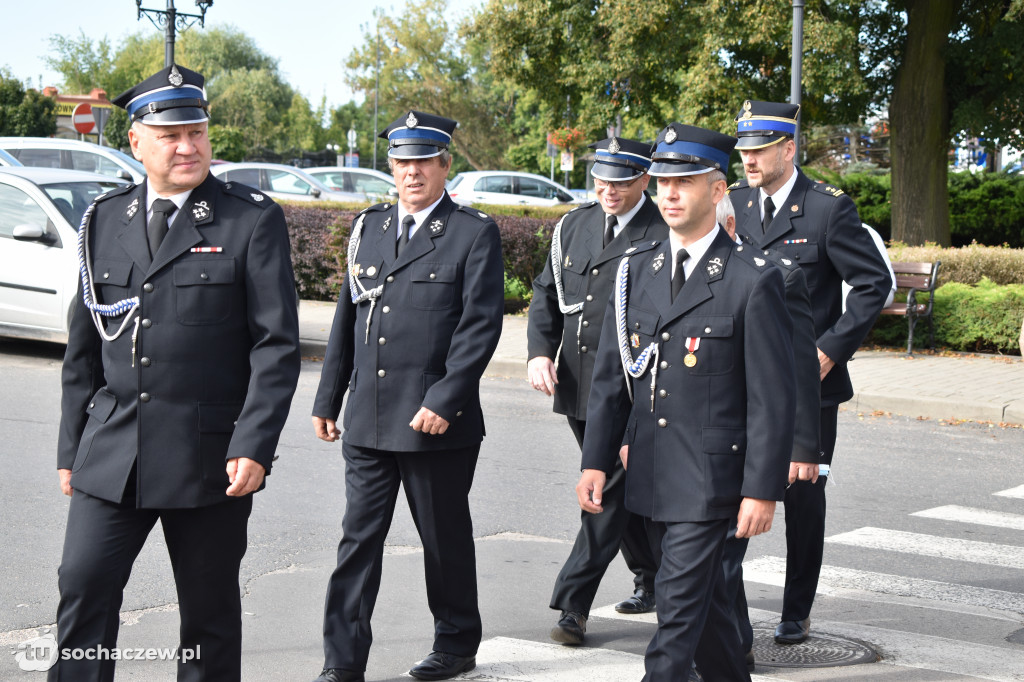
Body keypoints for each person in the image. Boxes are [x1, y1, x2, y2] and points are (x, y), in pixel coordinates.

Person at [53, 64, 301, 681]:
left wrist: (255, 443)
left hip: (208, 454)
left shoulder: (250, 218)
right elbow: (83, 346)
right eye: (169, 135)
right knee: (82, 586)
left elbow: (276, 346)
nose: (187, 146)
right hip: (112, 451)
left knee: (209, 613)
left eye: (196, 131)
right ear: (136, 141)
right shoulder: (103, 219)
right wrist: (70, 447)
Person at [577, 122, 795, 681]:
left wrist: (761, 490)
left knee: (673, 619)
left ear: (719, 189)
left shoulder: (753, 278)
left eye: (687, 182)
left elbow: (773, 397)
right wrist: (596, 459)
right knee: (714, 621)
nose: (670, 194)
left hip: (710, 482)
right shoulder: (637, 269)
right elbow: (610, 377)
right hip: (650, 470)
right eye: (664, 182)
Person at [310, 110, 504, 682]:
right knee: (357, 545)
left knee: (443, 541)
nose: (411, 172)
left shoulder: (472, 233)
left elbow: (480, 326)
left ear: (445, 165)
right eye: (401, 162)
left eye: (423, 161)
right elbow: (347, 319)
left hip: (433, 422)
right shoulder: (368, 228)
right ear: (390, 166)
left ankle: (456, 643)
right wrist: (328, 396)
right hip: (369, 419)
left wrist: (445, 400)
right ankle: (342, 663)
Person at [727, 100, 892, 644]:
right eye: (744, 150)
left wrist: (831, 348)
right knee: (734, 491)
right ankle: (724, 609)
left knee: (802, 498)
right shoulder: (733, 204)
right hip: (745, 382)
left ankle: (795, 609)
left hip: (809, 386)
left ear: (788, 148)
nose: (748, 160)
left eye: (759, 150)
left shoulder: (827, 209)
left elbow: (872, 284)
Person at [527, 137, 665, 645]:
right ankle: (651, 578)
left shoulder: (661, 229)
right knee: (617, 489)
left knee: (603, 491)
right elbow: (547, 290)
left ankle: (573, 602)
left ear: (644, 181)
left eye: (621, 181)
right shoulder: (576, 224)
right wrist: (539, 351)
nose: (608, 190)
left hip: (637, 387)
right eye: (601, 179)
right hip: (580, 382)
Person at [716, 194, 821, 672]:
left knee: (719, 559)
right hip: (680, 442)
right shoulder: (658, 268)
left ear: (730, 224)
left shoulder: (774, 274)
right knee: (698, 563)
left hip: (742, 441)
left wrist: (802, 448)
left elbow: (795, 370)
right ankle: (726, 645)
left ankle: (730, 649)